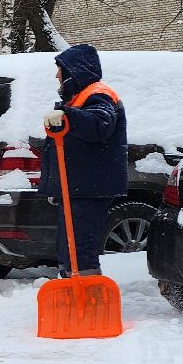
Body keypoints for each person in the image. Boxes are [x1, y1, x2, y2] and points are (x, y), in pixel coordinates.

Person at [38, 44, 127, 276]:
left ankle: (88, 295)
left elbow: (100, 125)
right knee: (68, 245)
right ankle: (71, 284)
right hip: (78, 186)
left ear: (74, 71)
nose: (57, 75)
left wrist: (68, 116)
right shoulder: (78, 97)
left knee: (80, 246)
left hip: (89, 186)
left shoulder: (98, 94)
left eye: (60, 70)